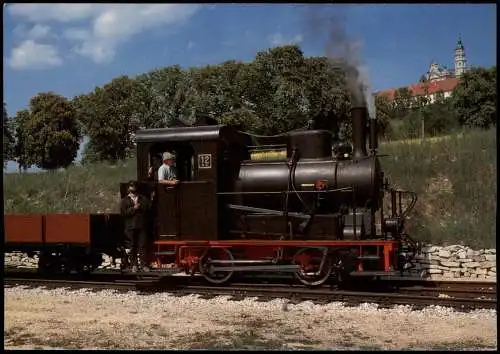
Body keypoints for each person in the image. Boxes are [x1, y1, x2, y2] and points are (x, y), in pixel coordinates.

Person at [120, 181, 151, 272]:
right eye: (131, 186)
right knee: (132, 246)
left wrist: (140, 207)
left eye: (134, 186)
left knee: (142, 246)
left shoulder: (143, 198)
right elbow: (124, 213)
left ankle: (144, 265)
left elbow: (148, 208)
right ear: (128, 188)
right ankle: (134, 265)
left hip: (142, 225)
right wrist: (134, 208)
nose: (132, 188)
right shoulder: (125, 200)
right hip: (130, 226)